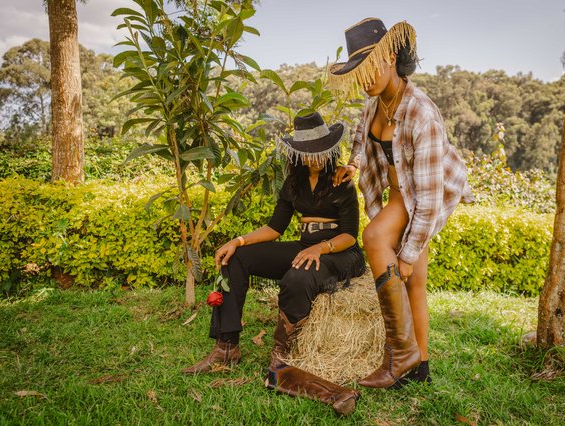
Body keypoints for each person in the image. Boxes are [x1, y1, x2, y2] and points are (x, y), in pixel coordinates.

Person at [181, 111, 365, 414]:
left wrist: (320, 248)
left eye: (319, 150)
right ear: (298, 153)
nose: (314, 158)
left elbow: (349, 235)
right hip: (307, 245)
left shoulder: (341, 180)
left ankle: (282, 354)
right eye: (307, 152)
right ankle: (226, 348)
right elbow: (274, 229)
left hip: (340, 252)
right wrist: (237, 242)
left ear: (330, 148)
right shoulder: (293, 183)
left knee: (298, 275)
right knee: (236, 260)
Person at [328, 18, 474, 388]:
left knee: (375, 237)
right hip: (399, 193)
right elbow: (363, 137)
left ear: (391, 56)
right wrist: (352, 164)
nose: (364, 79)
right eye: (357, 72)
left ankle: (398, 353)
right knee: (415, 284)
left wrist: (407, 254)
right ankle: (419, 366)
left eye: (369, 67)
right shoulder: (375, 102)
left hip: (427, 193)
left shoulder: (421, 113)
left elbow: (426, 197)